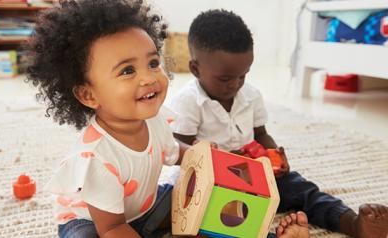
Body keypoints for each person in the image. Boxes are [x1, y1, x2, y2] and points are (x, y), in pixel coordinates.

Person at [169, 9, 388, 238]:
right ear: (195, 69)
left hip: (252, 174)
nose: (235, 84)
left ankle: (352, 222)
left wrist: (273, 153)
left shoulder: (251, 96)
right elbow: (180, 152)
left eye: (243, 75)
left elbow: (261, 134)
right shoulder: (188, 102)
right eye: (225, 78)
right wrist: (219, 159)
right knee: (222, 219)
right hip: (209, 184)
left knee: (301, 189)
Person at [27, 0, 180, 237]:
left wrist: (201, 155)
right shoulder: (96, 158)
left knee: (189, 195)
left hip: (142, 208)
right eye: (127, 70)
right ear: (89, 95)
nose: (149, 78)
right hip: (93, 222)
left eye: (152, 63)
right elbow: (112, 227)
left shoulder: (154, 118)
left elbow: (174, 151)